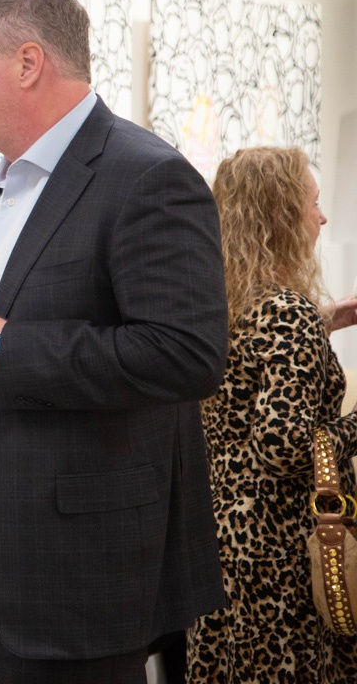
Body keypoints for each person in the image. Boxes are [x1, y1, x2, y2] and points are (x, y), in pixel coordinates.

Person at [0, 0, 229, 683]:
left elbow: (186, 354)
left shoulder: (147, 178)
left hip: (68, 577)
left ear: (26, 63)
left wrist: (1, 345)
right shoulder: (4, 182)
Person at [185, 146, 357, 682]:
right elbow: (283, 448)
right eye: (313, 203)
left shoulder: (218, 304)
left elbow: (242, 379)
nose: (322, 217)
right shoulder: (288, 313)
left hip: (220, 542)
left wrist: (319, 326)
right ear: (281, 215)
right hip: (281, 556)